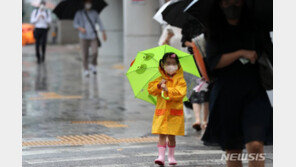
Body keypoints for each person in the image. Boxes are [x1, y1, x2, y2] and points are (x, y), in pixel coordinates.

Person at [201, 0, 273, 166]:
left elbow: (270, 54)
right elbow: (213, 62)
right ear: (219, 5)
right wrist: (241, 53)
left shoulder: (256, 27)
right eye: (226, 2)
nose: (231, 5)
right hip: (226, 95)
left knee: (255, 145)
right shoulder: (213, 30)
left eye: (236, 1)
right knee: (233, 150)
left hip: (254, 92)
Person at [148, 53, 187, 166]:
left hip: (174, 114)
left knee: (171, 136)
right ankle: (160, 156)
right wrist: (159, 86)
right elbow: (151, 89)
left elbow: (180, 93)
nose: (171, 66)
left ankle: (171, 156)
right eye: (168, 64)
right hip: (162, 112)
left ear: (178, 65)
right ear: (163, 65)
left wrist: (168, 89)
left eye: (174, 64)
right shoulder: (159, 78)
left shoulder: (180, 80)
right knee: (161, 135)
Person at [73, 0, 107, 77]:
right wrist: (80, 28)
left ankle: (93, 65)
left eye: (89, 2)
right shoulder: (79, 13)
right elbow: (75, 24)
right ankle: (86, 69)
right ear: (84, 3)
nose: (88, 4)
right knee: (85, 54)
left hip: (93, 36)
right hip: (83, 37)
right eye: (86, 2)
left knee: (95, 52)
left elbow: (99, 22)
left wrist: (103, 32)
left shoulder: (94, 13)